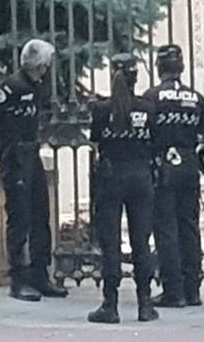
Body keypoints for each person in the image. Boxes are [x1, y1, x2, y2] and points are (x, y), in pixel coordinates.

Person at [0, 39, 68, 302]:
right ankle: (19, 279)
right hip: (14, 156)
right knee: (19, 216)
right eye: (47, 63)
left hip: (31, 152)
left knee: (40, 214)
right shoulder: (12, 85)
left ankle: (40, 274)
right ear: (41, 64)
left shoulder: (36, 86)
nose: (48, 68)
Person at [87, 54, 159, 324]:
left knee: (111, 242)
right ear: (135, 77)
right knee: (141, 242)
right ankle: (145, 304)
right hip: (141, 179)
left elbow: (95, 144)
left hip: (111, 179)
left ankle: (110, 303)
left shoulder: (101, 110)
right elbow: (155, 142)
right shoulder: (148, 108)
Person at [143, 45, 204, 307]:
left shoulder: (152, 97)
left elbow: (144, 127)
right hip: (189, 164)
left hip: (162, 165)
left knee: (166, 228)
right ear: (181, 67)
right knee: (189, 226)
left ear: (159, 67)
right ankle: (192, 288)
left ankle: (173, 290)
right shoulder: (195, 97)